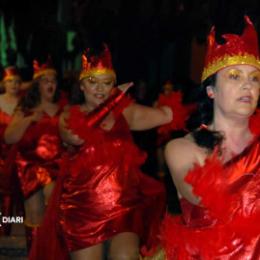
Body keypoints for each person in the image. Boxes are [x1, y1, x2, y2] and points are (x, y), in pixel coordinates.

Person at [29, 43, 173, 260]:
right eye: (92, 82)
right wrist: (114, 101)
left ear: (113, 85)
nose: (99, 88)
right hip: (82, 209)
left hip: (123, 208)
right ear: (82, 86)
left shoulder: (126, 114)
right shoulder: (69, 114)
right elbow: (77, 136)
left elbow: (169, 115)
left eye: (107, 83)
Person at [150, 16, 260, 259]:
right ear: (211, 90)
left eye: (254, 78)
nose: (247, 86)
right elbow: (212, 196)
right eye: (234, 76)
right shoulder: (180, 148)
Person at [4, 57, 65, 252]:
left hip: (56, 167)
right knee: (34, 216)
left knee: (56, 206)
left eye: (53, 80)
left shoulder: (64, 109)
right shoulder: (25, 109)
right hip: (30, 167)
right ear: (37, 84)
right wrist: (30, 119)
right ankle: (36, 254)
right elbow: (9, 137)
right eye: (46, 80)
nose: (50, 84)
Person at [0, 66, 22, 235]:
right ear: (3, 83)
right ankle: (3, 230)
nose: (13, 85)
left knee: (19, 193)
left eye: (16, 82)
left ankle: (20, 230)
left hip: (20, 155)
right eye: (10, 81)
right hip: (1, 155)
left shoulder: (25, 103)